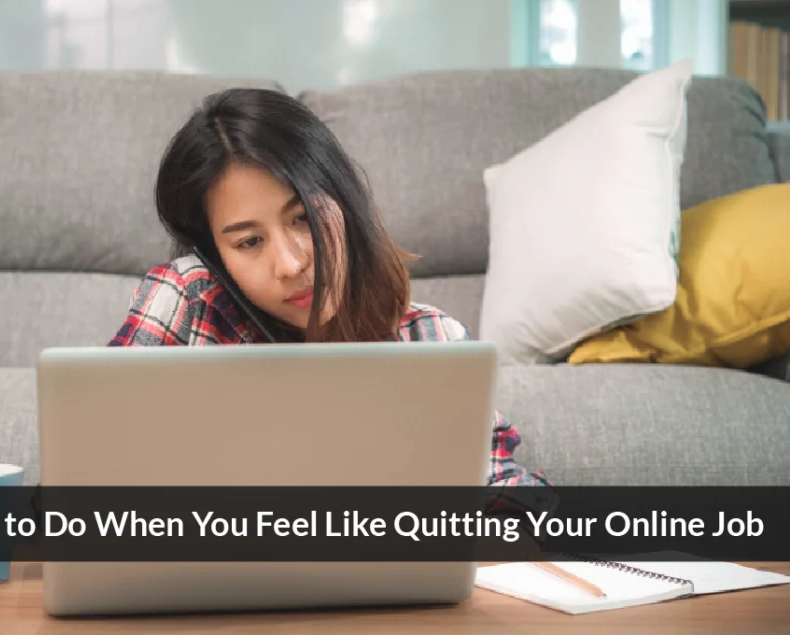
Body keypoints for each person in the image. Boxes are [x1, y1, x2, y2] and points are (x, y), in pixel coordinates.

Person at [108, 87, 550, 496]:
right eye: (248, 242)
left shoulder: (431, 340)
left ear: (343, 200)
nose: (291, 263)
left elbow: (505, 492)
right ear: (216, 255)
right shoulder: (189, 299)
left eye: (303, 218)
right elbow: (90, 475)